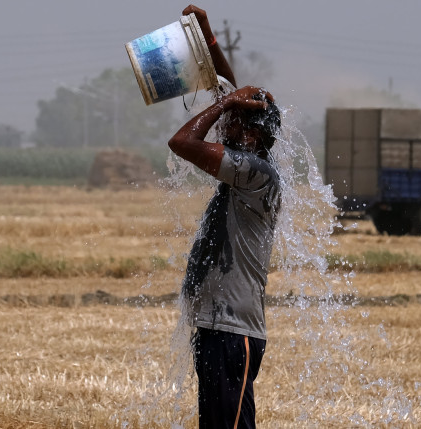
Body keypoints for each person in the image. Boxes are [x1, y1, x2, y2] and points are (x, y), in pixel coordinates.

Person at [168, 5, 282, 428]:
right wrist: (208, 37)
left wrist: (228, 103)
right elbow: (227, 90)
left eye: (233, 121)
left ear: (252, 135)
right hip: (219, 328)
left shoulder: (257, 176)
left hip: (234, 334)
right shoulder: (250, 165)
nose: (224, 125)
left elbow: (182, 141)